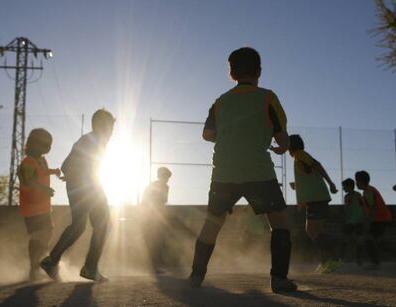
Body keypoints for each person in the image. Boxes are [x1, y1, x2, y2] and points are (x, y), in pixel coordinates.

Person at [188, 47, 297, 293]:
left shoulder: (220, 102)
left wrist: (230, 134)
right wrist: (282, 146)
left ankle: (196, 276)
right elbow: (281, 137)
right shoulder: (268, 97)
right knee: (279, 222)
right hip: (258, 172)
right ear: (259, 71)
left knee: (212, 224)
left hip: (223, 174)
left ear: (231, 73)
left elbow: (207, 135)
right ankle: (279, 279)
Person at [40, 109, 115, 282]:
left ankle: (52, 260)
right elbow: (81, 165)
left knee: (79, 225)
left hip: (76, 186)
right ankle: (90, 268)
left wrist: (72, 175)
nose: (111, 132)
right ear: (101, 126)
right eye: (110, 127)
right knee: (104, 224)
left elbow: (66, 164)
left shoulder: (85, 139)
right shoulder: (96, 140)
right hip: (88, 185)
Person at [288, 134, 341, 274]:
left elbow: (317, 165)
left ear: (290, 145)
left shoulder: (300, 154)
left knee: (312, 231)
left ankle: (334, 259)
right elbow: (310, 175)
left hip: (317, 199)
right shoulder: (298, 157)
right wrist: (298, 186)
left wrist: (330, 183)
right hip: (315, 199)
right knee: (317, 231)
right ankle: (326, 261)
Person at [18, 128, 61, 281]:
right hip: (31, 206)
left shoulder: (41, 160)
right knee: (38, 234)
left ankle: (40, 262)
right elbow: (30, 181)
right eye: (45, 144)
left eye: (49, 145)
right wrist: (44, 188)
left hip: (43, 206)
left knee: (48, 231)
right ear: (33, 144)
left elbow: (42, 172)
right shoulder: (27, 162)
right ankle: (34, 267)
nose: (48, 148)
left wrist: (53, 171)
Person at [355, 170, 392, 269]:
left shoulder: (368, 191)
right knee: (374, 239)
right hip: (380, 219)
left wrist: (367, 224)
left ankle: (375, 263)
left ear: (360, 181)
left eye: (356, 181)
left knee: (368, 238)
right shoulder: (368, 191)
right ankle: (375, 261)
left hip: (380, 219)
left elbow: (372, 209)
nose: (356, 183)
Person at [141, 167, 172, 273]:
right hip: (151, 217)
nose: (167, 179)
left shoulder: (160, 186)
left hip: (154, 217)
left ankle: (156, 266)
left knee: (156, 241)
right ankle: (154, 267)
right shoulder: (158, 186)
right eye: (166, 176)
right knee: (154, 241)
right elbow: (158, 202)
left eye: (167, 177)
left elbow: (161, 202)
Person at [340, 178, 367, 266]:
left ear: (350, 186)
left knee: (358, 241)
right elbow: (346, 209)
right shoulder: (347, 197)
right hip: (350, 222)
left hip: (358, 221)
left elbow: (362, 206)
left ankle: (359, 261)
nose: (343, 189)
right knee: (345, 240)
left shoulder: (357, 195)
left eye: (344, 187)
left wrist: (364, 217)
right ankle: (340, 259)